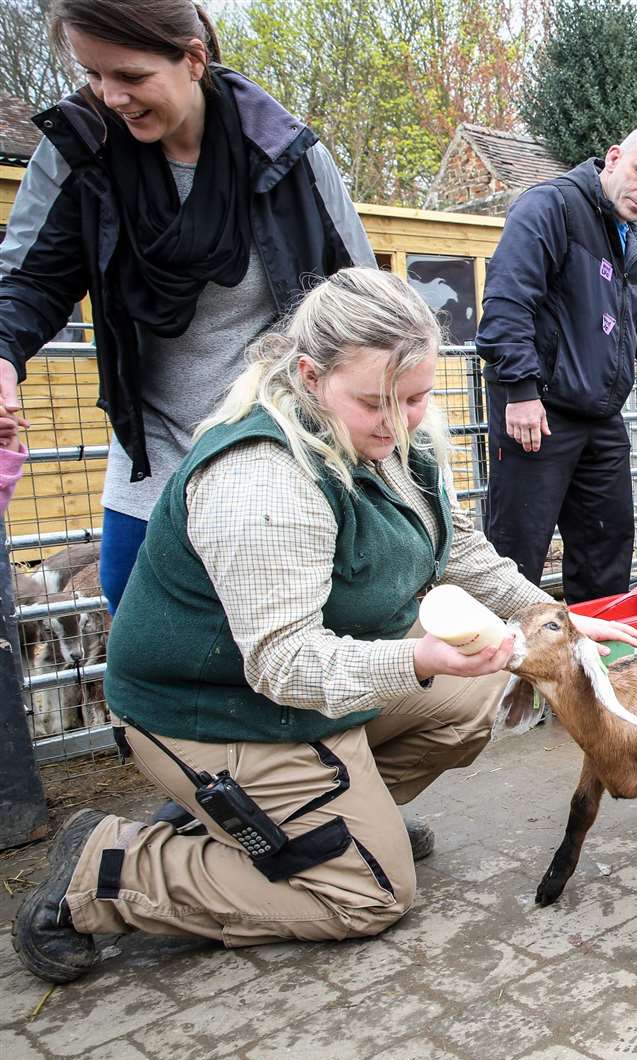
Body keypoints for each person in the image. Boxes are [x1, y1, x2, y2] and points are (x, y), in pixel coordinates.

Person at [10, 269, 637, 985]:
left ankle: (311, 826)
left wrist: (557, 621)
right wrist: (420, 658)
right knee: (369, 894)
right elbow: (281, 665)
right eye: (376, 401)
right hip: (215, 712)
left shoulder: (392, 439)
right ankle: (106, 869)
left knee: (476, 701)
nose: (401, 419)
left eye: (417, 396)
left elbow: (460, 548)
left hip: (300, 702)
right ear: (310, 375)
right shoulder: (264, 477)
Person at [0, 0, 374, 613]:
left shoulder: (286, 156)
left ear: (193, 58)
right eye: (93, 76)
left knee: (281, 627)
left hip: (272, 445)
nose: (109, 96)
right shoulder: (80, 153)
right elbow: (27, 282)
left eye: (130, 76)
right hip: (153, 450)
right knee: (141, 624)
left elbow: (360, 301)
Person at [476, 127, 637, 603]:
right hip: (538, 414)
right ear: (614, 158)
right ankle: (500, 674)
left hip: (600, 420)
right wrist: (520, 390)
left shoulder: (630, 240)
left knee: (607, 552)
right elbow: (506, 300)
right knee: (516, 556)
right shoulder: (550, 207)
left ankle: (597, 670)